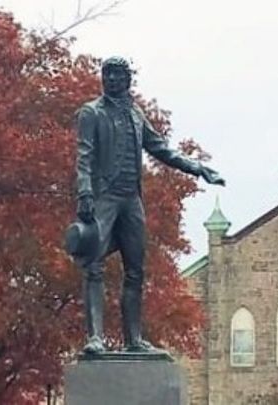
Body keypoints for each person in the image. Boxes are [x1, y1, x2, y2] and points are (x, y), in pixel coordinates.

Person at [75, 56, 225, 354]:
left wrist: (197, 168)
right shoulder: (90, 113)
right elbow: (84, 155)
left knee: (136, 270)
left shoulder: (136, 114)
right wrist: (85, 192)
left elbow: (162, 150)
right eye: (108, 75)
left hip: (131, 200)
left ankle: (133, 340)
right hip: (104, 197)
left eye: (119, 75)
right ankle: (95, 338)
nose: (113, 80)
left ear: (128, 80)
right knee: (94, 264)